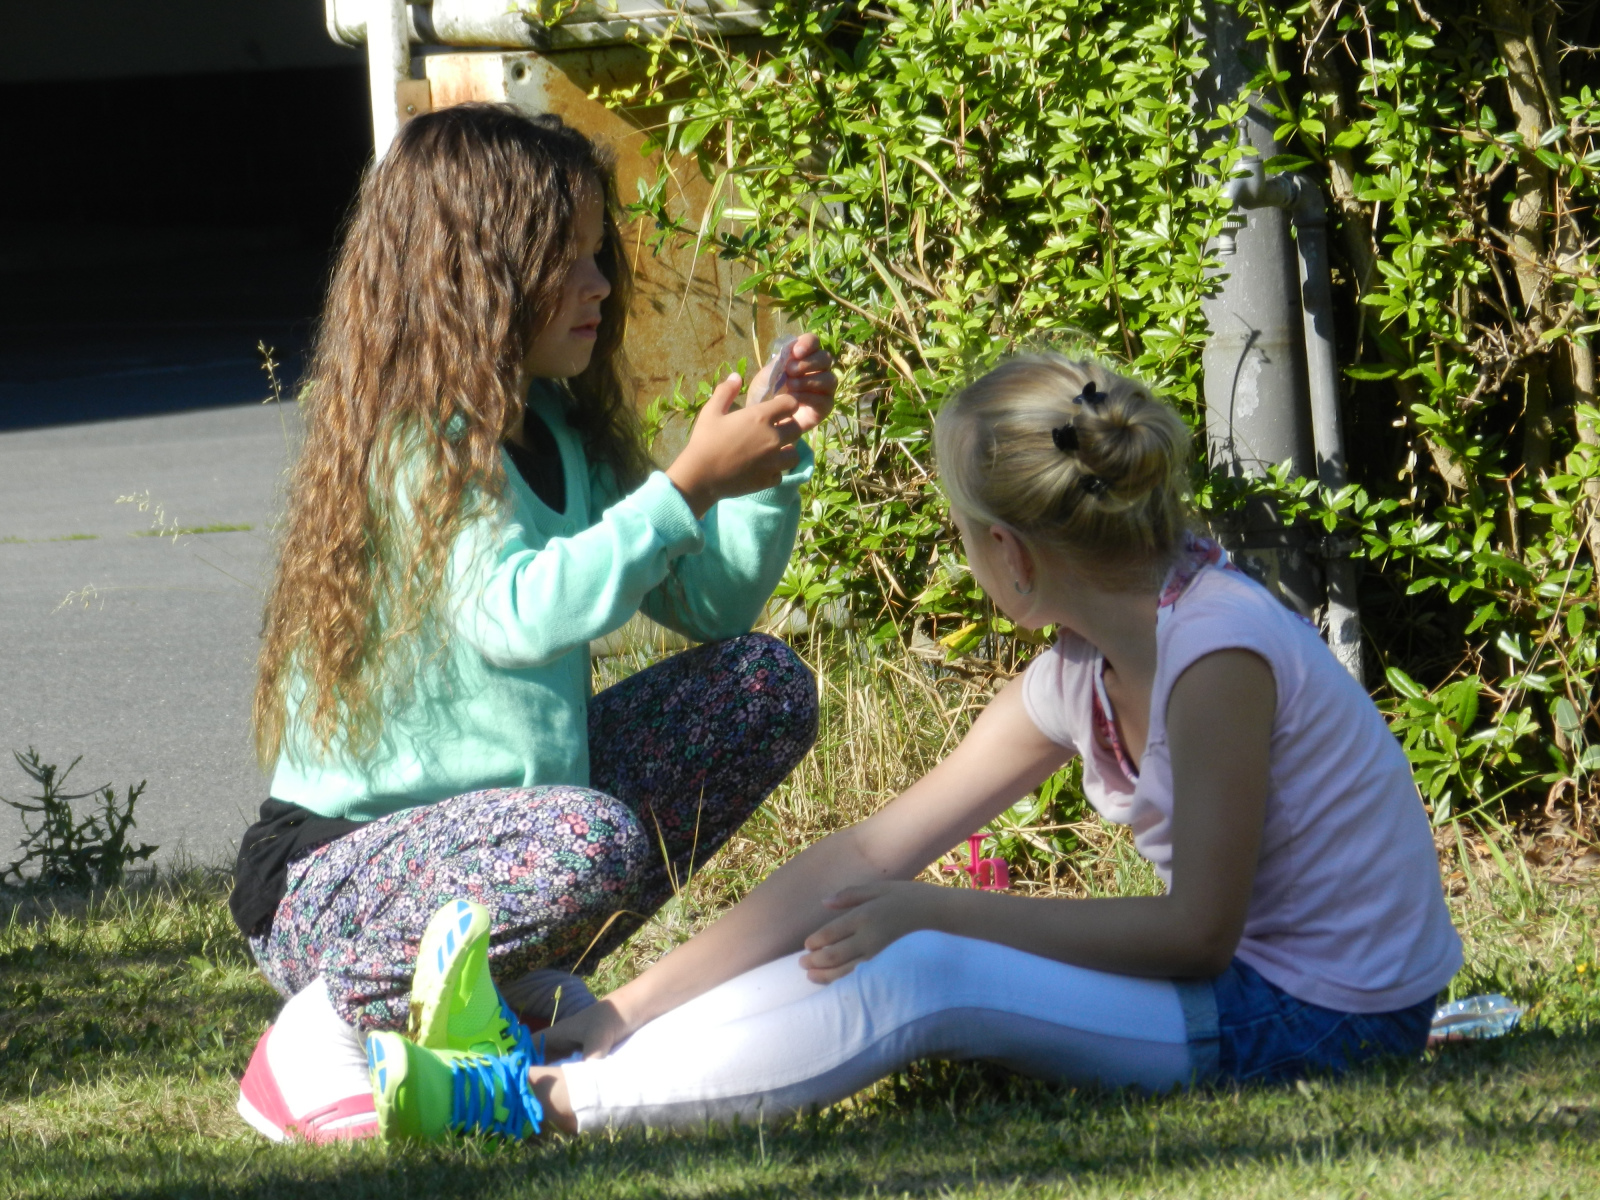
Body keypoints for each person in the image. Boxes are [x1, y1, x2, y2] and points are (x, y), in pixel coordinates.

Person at [360, 352, 1463, 1141]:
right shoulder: (1080, 669)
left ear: (1012, 555)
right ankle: (577, 1056)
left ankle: (544, 1107)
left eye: (964, 538)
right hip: (1250, 991)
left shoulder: (1215, 652)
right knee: (877, 933)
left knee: (925, 969)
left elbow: (1198, 935)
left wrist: (938, 910)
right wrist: (624, 1006)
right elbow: (862, 856)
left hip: (1323, 1020)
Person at [230, 103, 835, 1143]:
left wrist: (764, 469)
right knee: (583, 838)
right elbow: (516, 616)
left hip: (501, 848)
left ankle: (491, 989)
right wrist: (687, 485)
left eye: (601, 255)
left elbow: (710, 605)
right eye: (569, 261)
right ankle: (319, 1033)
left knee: (760, 686)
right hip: (338, 881)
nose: (600, 285)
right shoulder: (418, 441)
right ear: (481, 276)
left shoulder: (559, 425)